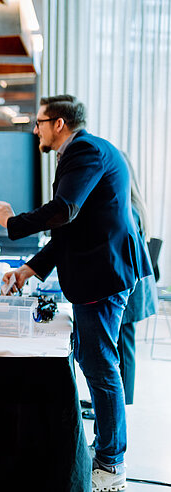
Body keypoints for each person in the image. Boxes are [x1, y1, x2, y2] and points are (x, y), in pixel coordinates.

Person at [0, 95, 152, 492]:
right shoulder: (81, 152)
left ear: (58, 123)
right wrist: (28, 270)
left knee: (100, 366)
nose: (35, 130)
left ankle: (111, 465)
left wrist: (12, 222)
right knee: (94, 361)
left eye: (39, 122)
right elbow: (69, 229)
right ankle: (107, 451)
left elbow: (64, 211)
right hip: (98, 272)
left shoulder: (85, 151)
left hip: (104, 275)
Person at [118, 156, 158, 405]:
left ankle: (121, 402)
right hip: (136, 285)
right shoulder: (134, 204)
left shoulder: (129, 208)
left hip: (132, 288)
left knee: (125, 346)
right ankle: (117, 400)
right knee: (125, 344)